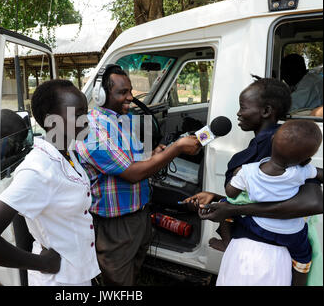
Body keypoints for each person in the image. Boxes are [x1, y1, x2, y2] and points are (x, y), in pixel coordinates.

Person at [184, 78, 323, 286]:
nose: (238, 113)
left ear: (267, 110)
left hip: (264, 258)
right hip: (246, 252)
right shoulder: (262, 144)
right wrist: (217, 199)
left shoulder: (283, 146)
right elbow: (268, 195)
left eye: (243, 107)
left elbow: (312, 203)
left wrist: (230, 210)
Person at [0, 79, 101, 286]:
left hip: (76, 275)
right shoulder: (38, 169)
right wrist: (42, 263)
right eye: (78, 113)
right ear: (52, 121)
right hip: (57, 280)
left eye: (86, 111)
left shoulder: (65, 154)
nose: (86, 119)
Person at [75, 64, 202, 286]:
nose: (131, 97)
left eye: (131, 91)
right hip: (116, 226)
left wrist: (154, 155)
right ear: (100, 95)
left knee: (133, 277)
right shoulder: (93, 128)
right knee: (118, 284)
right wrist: (176, 149)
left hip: (139, 216)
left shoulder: (120, 120)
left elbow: (134, 161)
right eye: (122, 92)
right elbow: (132, 173)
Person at [215, 120, 323, 286]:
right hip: (292, 232)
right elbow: (319, 175)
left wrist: (238, 174)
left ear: (272, 140)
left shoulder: (248, 171)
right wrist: (305, 166)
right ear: (307, 160)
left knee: (225, 205)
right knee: (303, 256)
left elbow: (231, 192)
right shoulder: (300, 172)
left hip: (259, 225)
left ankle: (226, 241)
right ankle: (299, 280)